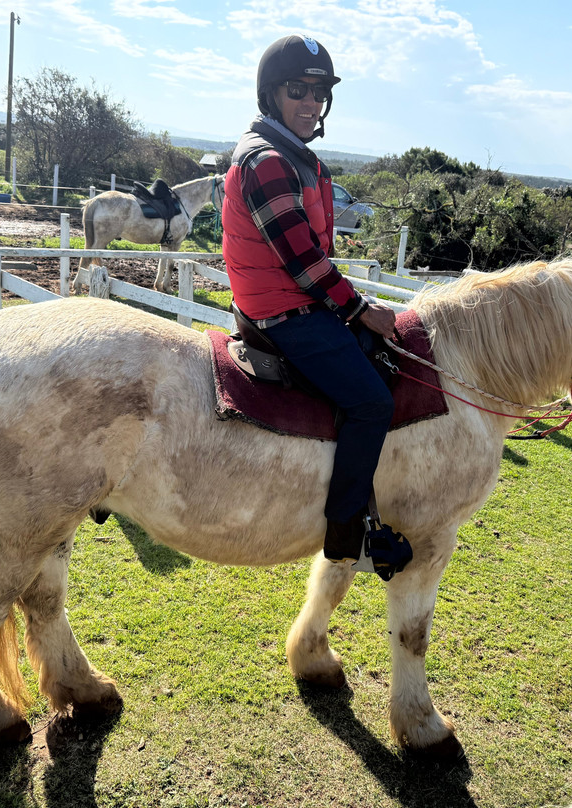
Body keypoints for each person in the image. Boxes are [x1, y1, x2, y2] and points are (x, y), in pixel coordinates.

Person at [222, 33, 407, 575]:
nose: (310, 104)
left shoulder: (293, 158)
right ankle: (348, 529)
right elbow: (303, 261)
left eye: (318, 93)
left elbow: (313, 256)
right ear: (271, 96)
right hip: (285, 311)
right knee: (372, 402)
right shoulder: (267, 161)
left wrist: (353, 302)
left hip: (297, 299)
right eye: (297, 91)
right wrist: (358, 308)